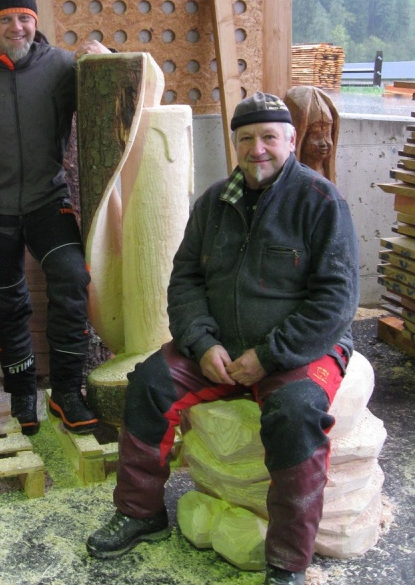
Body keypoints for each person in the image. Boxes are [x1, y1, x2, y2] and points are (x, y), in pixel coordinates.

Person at [86, 92, 359, 585]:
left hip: (302, 347)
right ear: (235, 143)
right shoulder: (214, 203)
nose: (258, 148)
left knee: (296, 414)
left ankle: (287, 561)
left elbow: (336, 300)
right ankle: (140, 512)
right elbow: (185, 281)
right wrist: (201, 342)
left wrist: (269, 355)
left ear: (291, 140)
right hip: (220, 345)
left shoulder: (321, 202)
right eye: (246, 138)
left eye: (269, 137)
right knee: (149, 383)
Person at [0, 0, 107, 436]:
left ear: (35, 23)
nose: (17, 27)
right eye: (6, 19)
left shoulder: (60, 65)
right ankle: (22, 394)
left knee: (72, 277)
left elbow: (113, 85)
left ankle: (66, 392)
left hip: (47, 201)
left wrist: (105, 56)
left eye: (25, 18)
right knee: (7, 302)